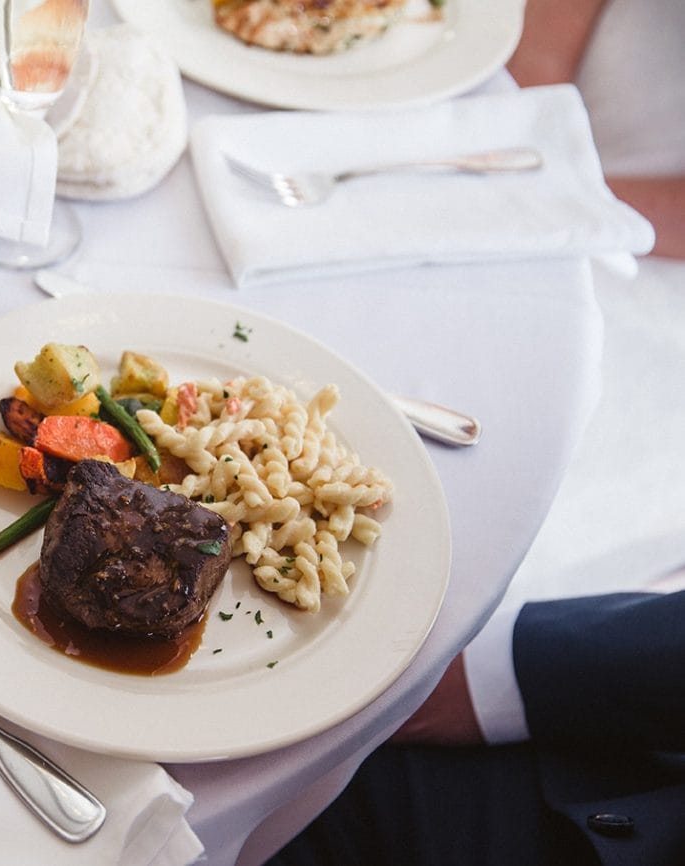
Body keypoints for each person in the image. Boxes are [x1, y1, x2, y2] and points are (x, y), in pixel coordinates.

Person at [266, 0, 685, 863]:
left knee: (465, 518)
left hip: (650, 258)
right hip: (538, 154)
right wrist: (502, 142)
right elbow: (538, 55)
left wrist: (559, 197)